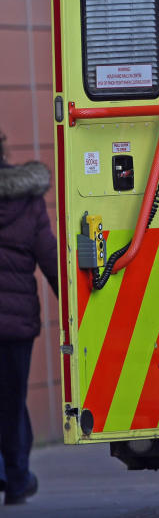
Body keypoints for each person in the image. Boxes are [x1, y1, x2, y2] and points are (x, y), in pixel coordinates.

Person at [0, 131, 57, 506]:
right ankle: (17, 478)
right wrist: (75, 311)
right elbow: (50, 257)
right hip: (14, 327)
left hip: (15, 325)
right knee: (11, 399)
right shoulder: (27, 200)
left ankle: (13, 475)